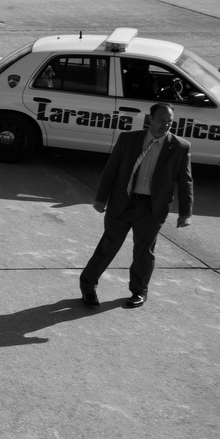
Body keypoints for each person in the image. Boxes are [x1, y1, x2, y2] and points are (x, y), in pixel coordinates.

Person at [80, 102, 193, 309]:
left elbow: (185, 181)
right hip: (122, 203)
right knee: (108, 247)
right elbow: (110, 170)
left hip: (152, 208)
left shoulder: (179, 147)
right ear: (150, 119)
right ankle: (87, 286)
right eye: (161, 120)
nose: (166, 125)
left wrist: (185, 213)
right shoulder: (128, 139)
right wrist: (100, 198)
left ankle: (139, 291)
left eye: (169, 122)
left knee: (144, 252)